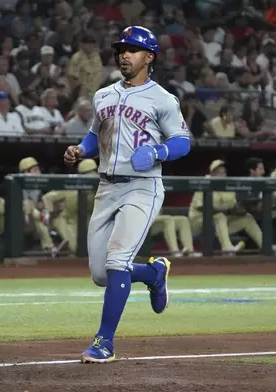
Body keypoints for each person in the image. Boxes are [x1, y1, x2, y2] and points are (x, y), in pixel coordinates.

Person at [63, 26, 191, 363]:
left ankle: (104, 342)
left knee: (117, 260)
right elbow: (95, 136)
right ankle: (152, 274)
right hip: (106, 187)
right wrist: (81, 149)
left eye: (132, 49)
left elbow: (183, 141)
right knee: (101, 275)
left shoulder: (162, 98)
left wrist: (159, 152)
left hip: (142, 186)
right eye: (121, 48)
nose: (124, 54)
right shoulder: (102, 95)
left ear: (149, 57)